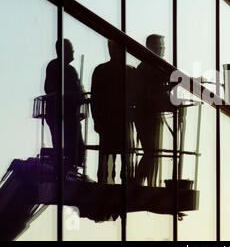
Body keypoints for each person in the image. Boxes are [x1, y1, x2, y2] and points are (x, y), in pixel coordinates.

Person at [90, 40, 136, 184]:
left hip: (109, 123)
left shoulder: (101, 71)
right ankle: (123, 186)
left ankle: (107, 186)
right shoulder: (130, 71)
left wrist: (97, 121)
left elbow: (95, 99)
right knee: (124, 159)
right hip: (121, 122)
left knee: (109, 162)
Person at [134, 34, 175, 187]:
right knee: (151, 152)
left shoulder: (149, 67)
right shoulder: (150, 67)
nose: (163, 49)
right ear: (151, 48)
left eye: (162, 46)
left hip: (148, 115)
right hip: (147, 116)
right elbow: (150, 94)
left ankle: (139, 182)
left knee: (151, 152)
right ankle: (138, 183)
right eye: (160, 46)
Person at [44, 38, 86, 174]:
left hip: (64, 114)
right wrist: (73, 95)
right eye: (71, 49)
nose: (73, 52)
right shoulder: (60, 68)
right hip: (63, 115)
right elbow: (50, 88)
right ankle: (66, 172)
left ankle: (67, 171)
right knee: (72, 147)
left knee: (70, 148)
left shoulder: (60, 67)